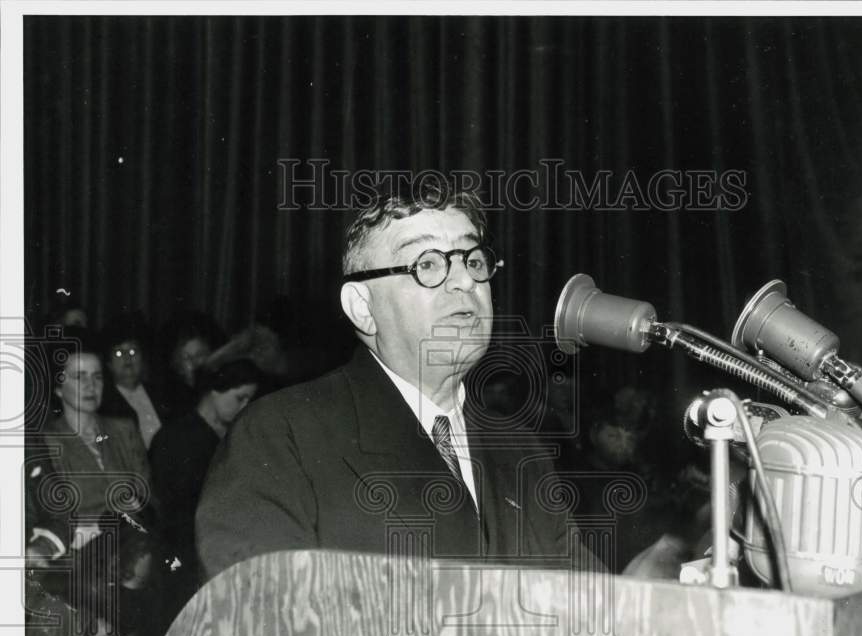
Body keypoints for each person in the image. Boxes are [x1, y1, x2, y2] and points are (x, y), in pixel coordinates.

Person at [196, 182, 599, 578]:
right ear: (362, 308)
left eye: (473, 260)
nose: (464, 281)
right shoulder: (282, 435)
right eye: (427, 264)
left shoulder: (521, 452)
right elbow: (259, 620)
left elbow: (590, 612)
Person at [149, 359, 260, 607]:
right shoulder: (175, 437)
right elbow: (171, 508)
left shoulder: (235, 435)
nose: (245, 406)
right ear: (215, 391)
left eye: (249, 400)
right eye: (239, 398)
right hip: (186, 553)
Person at [42, 333, 155, 546]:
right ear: (58, 387)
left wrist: (139, 506)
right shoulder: (47, 442)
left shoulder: (124, 429)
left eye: (97, 376)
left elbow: (148, 495)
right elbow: (56, 516)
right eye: (79, 377)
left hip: (133, 548)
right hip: (80, 555)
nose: (90, 385)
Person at [99, 315, 168, 448]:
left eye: (133, 351)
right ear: (109, 364)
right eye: (119, 353)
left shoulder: (161, 394)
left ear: (143, 359)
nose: (127, 359)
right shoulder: (104, 403)